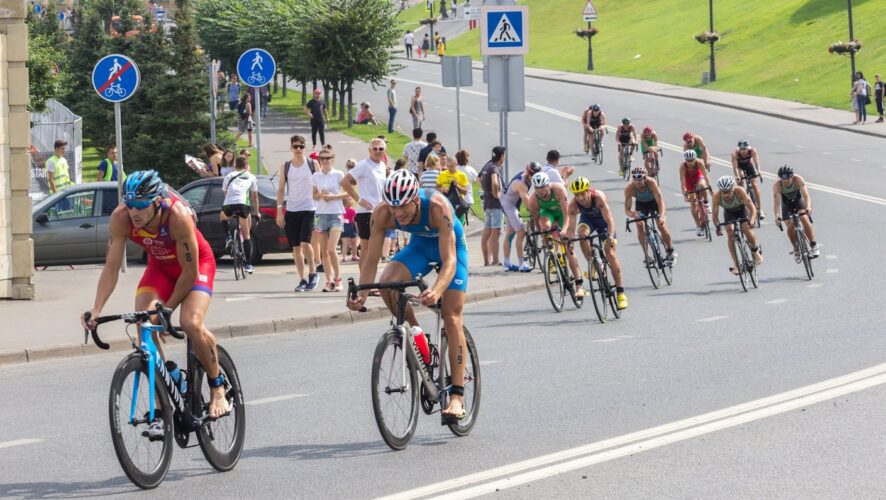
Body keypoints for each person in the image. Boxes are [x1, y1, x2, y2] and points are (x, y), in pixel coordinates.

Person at [81, 170, 229, 421]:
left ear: (157, 201)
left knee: (190, 323)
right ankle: (163, 400)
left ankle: (217, 386)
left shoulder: (178, 217)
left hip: (196, 267)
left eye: (140, 205)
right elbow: (111, 267)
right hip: (160, 268)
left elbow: (190, 272)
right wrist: (96, 309)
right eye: (129, 205)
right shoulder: (121, 218)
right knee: (144, 322)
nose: (134, 212)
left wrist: (168, 308)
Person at [346, 169, 470, 422]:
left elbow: (449, 261)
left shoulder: (437, 206)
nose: (398, 213)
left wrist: (436, 289)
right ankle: (417, 336)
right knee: (386, 284)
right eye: (393, 207)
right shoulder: (382, 213)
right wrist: (362, 293)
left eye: (402, 206)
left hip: (452, 249)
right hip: (420, 248)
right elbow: (371, 259)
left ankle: (457, 396)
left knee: (451, 316)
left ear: (415, 199)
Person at [566, 176, 628, 307]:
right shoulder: (573, 205)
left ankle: (620, 293)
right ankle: (592, 262)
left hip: (603, 222)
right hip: (588, 220)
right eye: (577, 195)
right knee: (582, 235)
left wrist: (611, 237)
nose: (581, 198)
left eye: (583, 194)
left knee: (610, 254)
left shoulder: (598, 197)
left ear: (588, 191)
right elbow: (571, 229)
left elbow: (610, 220)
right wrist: (571, 242)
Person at [527, 173, 586, 298]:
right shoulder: (533, 200)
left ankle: (579, 285)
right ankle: (552, 254)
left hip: (563, 214)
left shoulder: (559, 190)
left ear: (548, 185)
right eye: (536, 188)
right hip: (548, 214)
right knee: (544, 226)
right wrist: (544, 236)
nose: (540, 191)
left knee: (568, 248)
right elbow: (537, 221)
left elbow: (566, 214)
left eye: (542, 187)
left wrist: (564, 229)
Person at [276, 135, 320, 292]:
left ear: (305, 147)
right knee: (295, 247)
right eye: (296, 146)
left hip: (309, 208)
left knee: (305, 243)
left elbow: (319, 185)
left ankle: (313, 273)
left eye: (301, 146)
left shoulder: (313, 164)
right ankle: (302, 279)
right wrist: (279, 211)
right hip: (292, 209)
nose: (299, 149)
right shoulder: (286, 166)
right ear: (291, 148)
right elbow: (281, 189)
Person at [341, 138, 389, 271]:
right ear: (369, 150)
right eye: (375, 148)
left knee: (376, 250)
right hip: (366, 212)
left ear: (385, 151)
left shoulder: (383, 165)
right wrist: (358, 199)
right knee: (367, 249)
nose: (378, 151)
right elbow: (345, 182)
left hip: (379, 211)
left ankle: (370, 282)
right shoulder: (364, 164)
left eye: (381, 149)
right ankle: (365, 282)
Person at [712, 175, 763, 274]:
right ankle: (736, 264)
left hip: (742, 210)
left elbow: (752, 207)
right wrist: (718, 227)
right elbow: (714, 215)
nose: (726, 195)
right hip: (729, 213)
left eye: (728, 192)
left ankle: (755, 251)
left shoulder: (740, 191)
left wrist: (752, 220)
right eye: (723, 192)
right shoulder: (716, 196)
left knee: (746, 228)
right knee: (730, 232)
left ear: (733, 189)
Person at [624, 166, 675, 263]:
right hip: (641, 204)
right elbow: (627, 209)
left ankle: (670, 250)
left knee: (661, 225)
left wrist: (662, 216)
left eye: (639, 179)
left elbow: (660, 202)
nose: (637, 182)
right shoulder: (629, 189)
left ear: (645, 178)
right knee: (639, 225)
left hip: (654, 202)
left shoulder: (651, 183)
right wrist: (632, 214)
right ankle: (646, 255)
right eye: (634, 179)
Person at [312, 146, 346, 292]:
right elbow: (313, 195)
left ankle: (338, 278)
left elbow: (347, 194)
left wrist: (333, 197)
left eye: (328, 158)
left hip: (336, 214)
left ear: (332, 160)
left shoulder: (339, 174)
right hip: (320, 215)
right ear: (319, 160)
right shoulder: (316, 176)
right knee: (324, 251)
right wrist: (320, 194)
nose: (325, 161)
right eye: (322, 158)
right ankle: (328, 280)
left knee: (332, 249)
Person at [773, 165, 820, 261]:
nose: (785, 181)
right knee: (790, 227)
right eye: (783, 179)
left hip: (798, 201)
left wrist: (808, 207)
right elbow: (777, 203)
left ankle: (814, 245)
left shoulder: (798, 179)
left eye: (788, 178)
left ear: (791, 176)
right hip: (786, 205)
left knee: (804, 218)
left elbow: (806, 196)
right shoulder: (777, 185)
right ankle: (796, 249)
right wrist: (777, 216)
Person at [222, 155, 260, 273]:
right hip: (243, 205)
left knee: (223, 216)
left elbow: (225, 192)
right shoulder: (251, 177)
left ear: (235, 165)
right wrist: (257, 212)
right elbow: (255, 197)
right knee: (247, 235)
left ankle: (228, 235)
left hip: (229, 204)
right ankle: (248, 264)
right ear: (246, 165)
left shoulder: (228, 176)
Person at [500, 162, 541, 272]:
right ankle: (522, 263)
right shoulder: (521, 183)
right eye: (533, 174)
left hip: (512, 205)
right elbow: (527, 202)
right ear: (528, 173)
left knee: (510, 233)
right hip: (509, 205)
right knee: (521, 232)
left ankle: (507, 264)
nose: (534, 177)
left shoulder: (530, 178)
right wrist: (535, 210)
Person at [480, 146, 505, 266]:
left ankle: (486, 261)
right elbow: (495, 182)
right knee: (495, 235)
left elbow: (479, 178)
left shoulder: (487, 166)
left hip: (487, 203)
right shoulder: (494, 168)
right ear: (502, 157)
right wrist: (496, 194)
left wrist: (486, 191)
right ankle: (495, 260)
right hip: (495, 205)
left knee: (486, 234)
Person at [679, 149, 712, 237]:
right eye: (688, 161)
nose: (690, 162)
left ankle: (706, 202)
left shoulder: (699, 162)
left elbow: (705, 175)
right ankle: (698, 226)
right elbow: (682, 181)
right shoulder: (682, 166)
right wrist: (684, 193)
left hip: (698, 177)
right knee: (693, 202)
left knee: (702, 185)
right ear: (685, 160)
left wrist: (709, 186)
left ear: (695, 159)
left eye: (692, 160)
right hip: (688, 181)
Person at [731, 139, 765, 219]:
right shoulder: (735, 154)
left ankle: (760, 209)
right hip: (740, 167)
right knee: (741, 181)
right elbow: (735, 167)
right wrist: (737, 176)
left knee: (754, 185)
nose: (743, 151)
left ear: (748, 148)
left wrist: (759, 171)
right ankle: (742, 202)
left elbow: (756, 162)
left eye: (745, 149)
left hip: (749, 166)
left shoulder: (752, 151)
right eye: (742, 149)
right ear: (739, 149)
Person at [436, 152, 469, 224]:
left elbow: (465, 191)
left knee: (459, 224)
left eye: (452, 166)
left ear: (456, 165)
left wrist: (457, 186)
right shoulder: (442, 174)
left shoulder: (462, 175)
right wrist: (442, 189)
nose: (450, 168)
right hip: (445, 203)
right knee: (447, 224)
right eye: (448, 166)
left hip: (458, 205)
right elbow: (436, 188)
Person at [455, 149, 479, 220]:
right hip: (467, 198)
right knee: (463, 218)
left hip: (456, 198)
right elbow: (478, 181)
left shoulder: (454, 169)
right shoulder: (470, 169)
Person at [341, 193, 358, 262]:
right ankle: (354, 256)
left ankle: (344, 257)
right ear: (345, 202)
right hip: (351, 226)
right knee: (354, 243)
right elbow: (355, 221)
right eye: (350, 200)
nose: (352, 201)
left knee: (344, 244)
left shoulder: (341, 210)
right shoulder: (352, 210)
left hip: (343, 227)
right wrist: (357, 230)